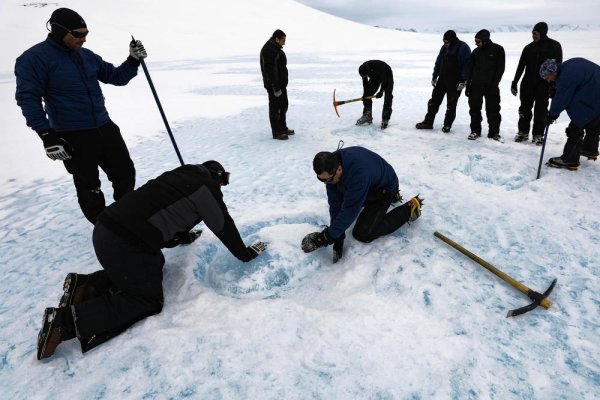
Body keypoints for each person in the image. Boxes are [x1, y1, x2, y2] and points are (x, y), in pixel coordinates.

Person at [36, 161, 268, 359]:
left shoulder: (180, 176)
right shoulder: (206, 188)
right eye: (223, 183)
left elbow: (162, 211)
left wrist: (184, 236)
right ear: (217, 178)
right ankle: (64, 323)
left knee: (153, 264)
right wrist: (244, 254)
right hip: (123, 244)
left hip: (107, 229)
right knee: (147, 299)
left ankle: (85, 287)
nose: (222, 188)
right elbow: (222, 224)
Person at [15, 8, 147, 224]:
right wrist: (46, 134)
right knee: (89, 185)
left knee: (125, 174)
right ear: (59, 31)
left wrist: (132, 60)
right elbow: (28, 98)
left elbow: (116, 77)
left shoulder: (87, 56)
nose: (83, 39)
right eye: (77, 34)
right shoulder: (34, 59)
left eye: (86, 33)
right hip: (73, 134)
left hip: (104, 126)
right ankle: (105, 228)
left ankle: (127, 219)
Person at [301, 146, 423, 263]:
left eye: (327, 180)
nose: (325, 183)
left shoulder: (358, 174)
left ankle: (409, 208)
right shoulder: (331, 165)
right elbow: (335, 203)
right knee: (343, 195)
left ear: (339, 169)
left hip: (383, 190)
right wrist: (338, 234)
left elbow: (350, 209)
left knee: (362, 234)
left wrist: (326, 237)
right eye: (321, 180)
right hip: (370, 183)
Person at [540, 58, 600, 170]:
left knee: (576, 127)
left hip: (594, 97)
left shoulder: (566, 76)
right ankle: (590, 149)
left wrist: (551, 115)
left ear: (553, 72)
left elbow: (562, 98)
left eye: (548, 78)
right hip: (595, 93)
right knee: (594, 121)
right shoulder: (569, 65)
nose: (548, 81)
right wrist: (557, 87)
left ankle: (569, 160)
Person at [511, 22, 563, 144]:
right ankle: (523, 132)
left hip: (544, 84)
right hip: (527, 83)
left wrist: (555, 85)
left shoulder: (554, 46)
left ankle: (538, 134)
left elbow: (559, 66)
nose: (533, 36)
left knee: (541, 111)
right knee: (524, 109)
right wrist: (515, 81)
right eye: (532, 33)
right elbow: (521, 66)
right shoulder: (528, 48)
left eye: (536, 33)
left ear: (543, 33)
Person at [416, 30, 471, 133]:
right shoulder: (444, 48)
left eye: (446, 42)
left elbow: (467, 66)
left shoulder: (463, 48)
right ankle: (428, 122)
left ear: (452, 40)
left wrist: (463, 80)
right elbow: (439, 61)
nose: (445, 44)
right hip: (442, 79)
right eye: (443, 42)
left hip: (455, 82)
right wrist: (435, 75)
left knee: (451, 104)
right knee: (433, 102)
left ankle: (447, 125)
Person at [465, 29, 505, 141]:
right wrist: (468, 85)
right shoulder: (475, 52)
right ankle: (475, 131)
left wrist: (494, 84)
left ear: (485, 40)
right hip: (476, 85)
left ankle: (494, 132)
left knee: (493, 110)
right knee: (474, 109)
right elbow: (470, 69)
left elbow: (500, 69)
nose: (476, 44)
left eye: (478, 42)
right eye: (475, 42)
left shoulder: (498, 50)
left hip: (491, 86)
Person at [260, 29, 294, 140]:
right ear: (277, 39)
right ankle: (277, 132)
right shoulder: (269, 50)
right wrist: (275, 87)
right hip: (274, 86)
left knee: (283, 105)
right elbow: (269, 71)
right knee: (276, 108)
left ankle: (283, 127)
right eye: (283, 40)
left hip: (280, 85)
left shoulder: (275, 48)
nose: (284, 42)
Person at [355, 60, 394, 129]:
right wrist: (365, 95)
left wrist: (381, 92)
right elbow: (365, 84)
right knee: (367, 94)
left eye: (366, 75)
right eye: (364, 76)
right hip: (375, 77)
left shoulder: (379, 68)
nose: (365, 76)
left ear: (368, 70)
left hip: (386, 74)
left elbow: (384, 81)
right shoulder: (363, 69)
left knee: (388, 95)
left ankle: (385, 119)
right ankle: (367, 115)